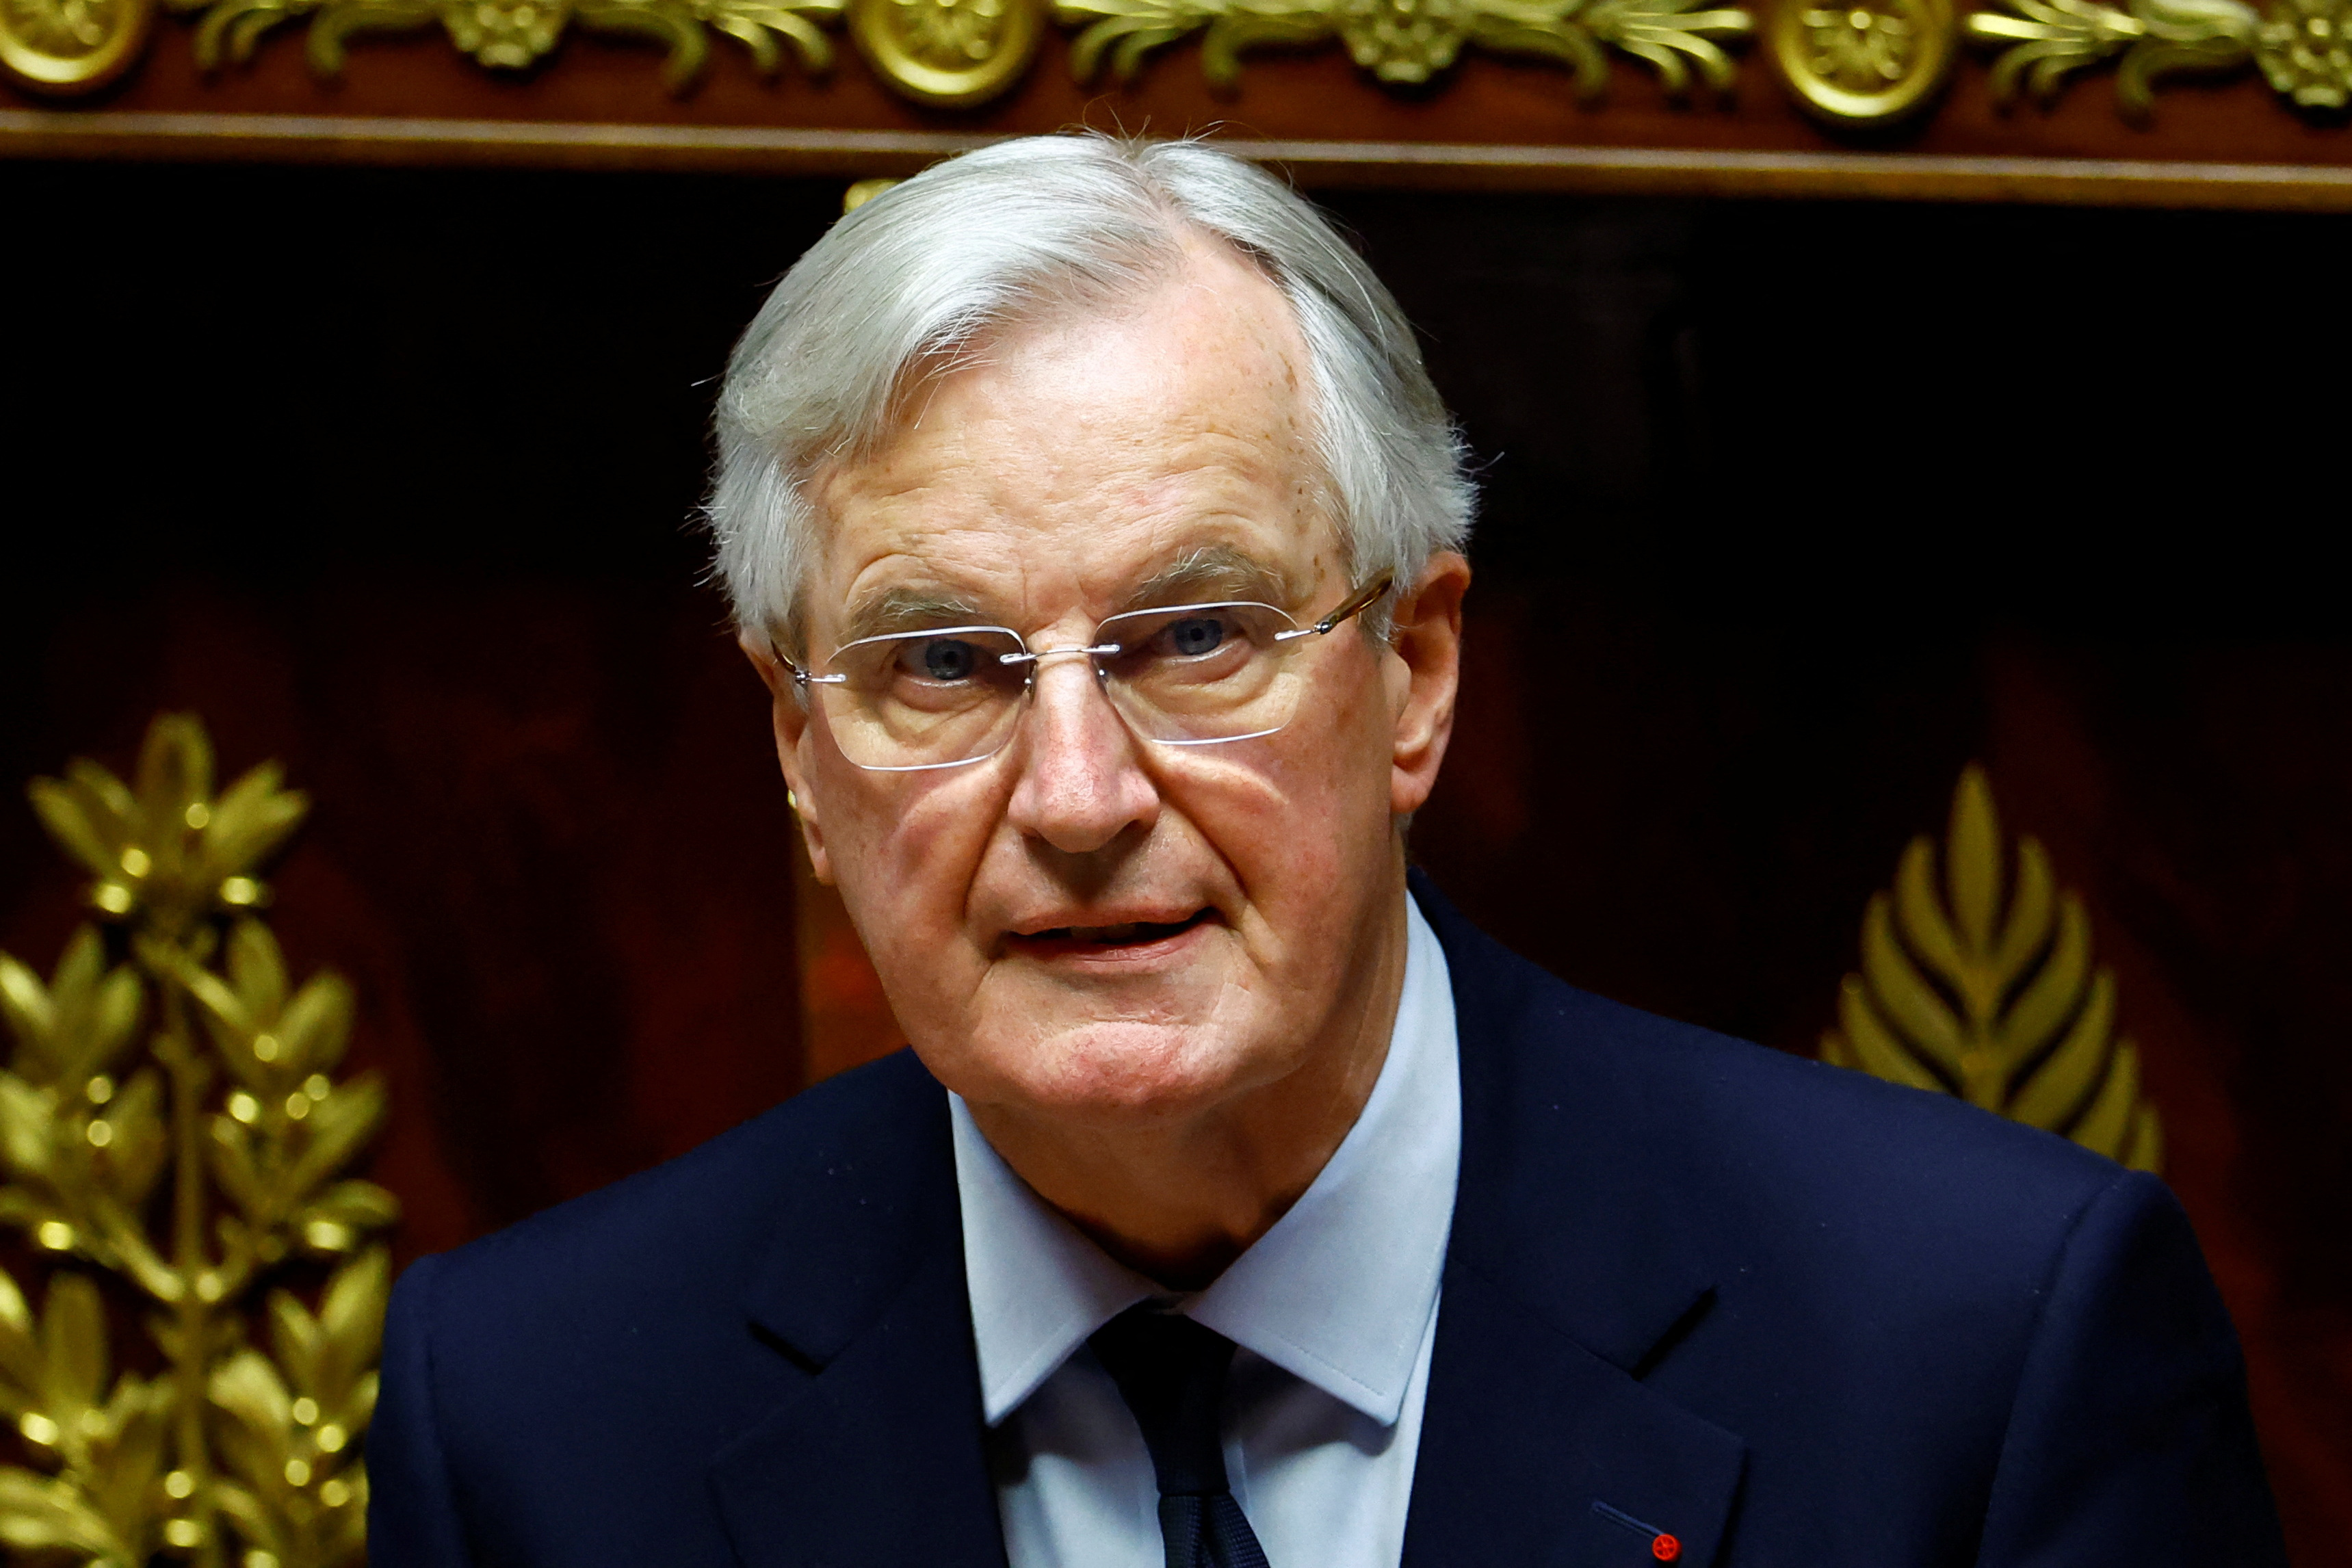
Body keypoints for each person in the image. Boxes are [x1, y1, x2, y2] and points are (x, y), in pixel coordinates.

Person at [367, 134, 2284, 1568]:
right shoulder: (539, 1413)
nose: (1079, 794)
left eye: (1196, 636)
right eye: (942, 663)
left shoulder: (1979, 1350)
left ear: (1417, 674)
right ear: (802, 751)